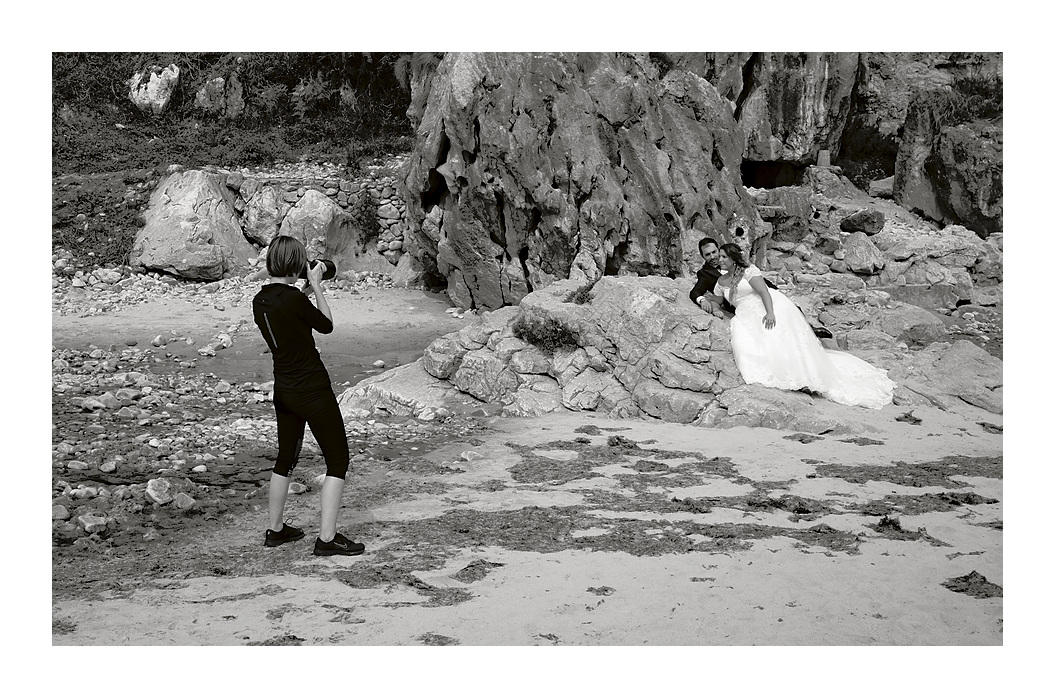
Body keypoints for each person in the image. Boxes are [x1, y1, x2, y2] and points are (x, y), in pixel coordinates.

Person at [252, 236, 365, 556]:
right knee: (338, 460)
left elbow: (288, 310)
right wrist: (316, 285)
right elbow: (326, 325)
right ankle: (327, 539)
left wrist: (301, 290)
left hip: (284, 390)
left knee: (285, 459)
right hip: (313, 390)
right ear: (295, 265)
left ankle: (275, 531)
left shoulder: (261, 301)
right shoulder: (296, 300)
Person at [710, 243, 895, 409]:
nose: (720, 260)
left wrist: (770, 312)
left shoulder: (748, 271)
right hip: (744, 314)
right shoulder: (720, 282)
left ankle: (804, 377)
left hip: (766, 306)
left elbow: (764, 292)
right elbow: (718, 300)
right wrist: (707, 301)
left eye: (724, 256)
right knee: (747, 345)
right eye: (720, 257)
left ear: (734, 258)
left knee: (779, 338)